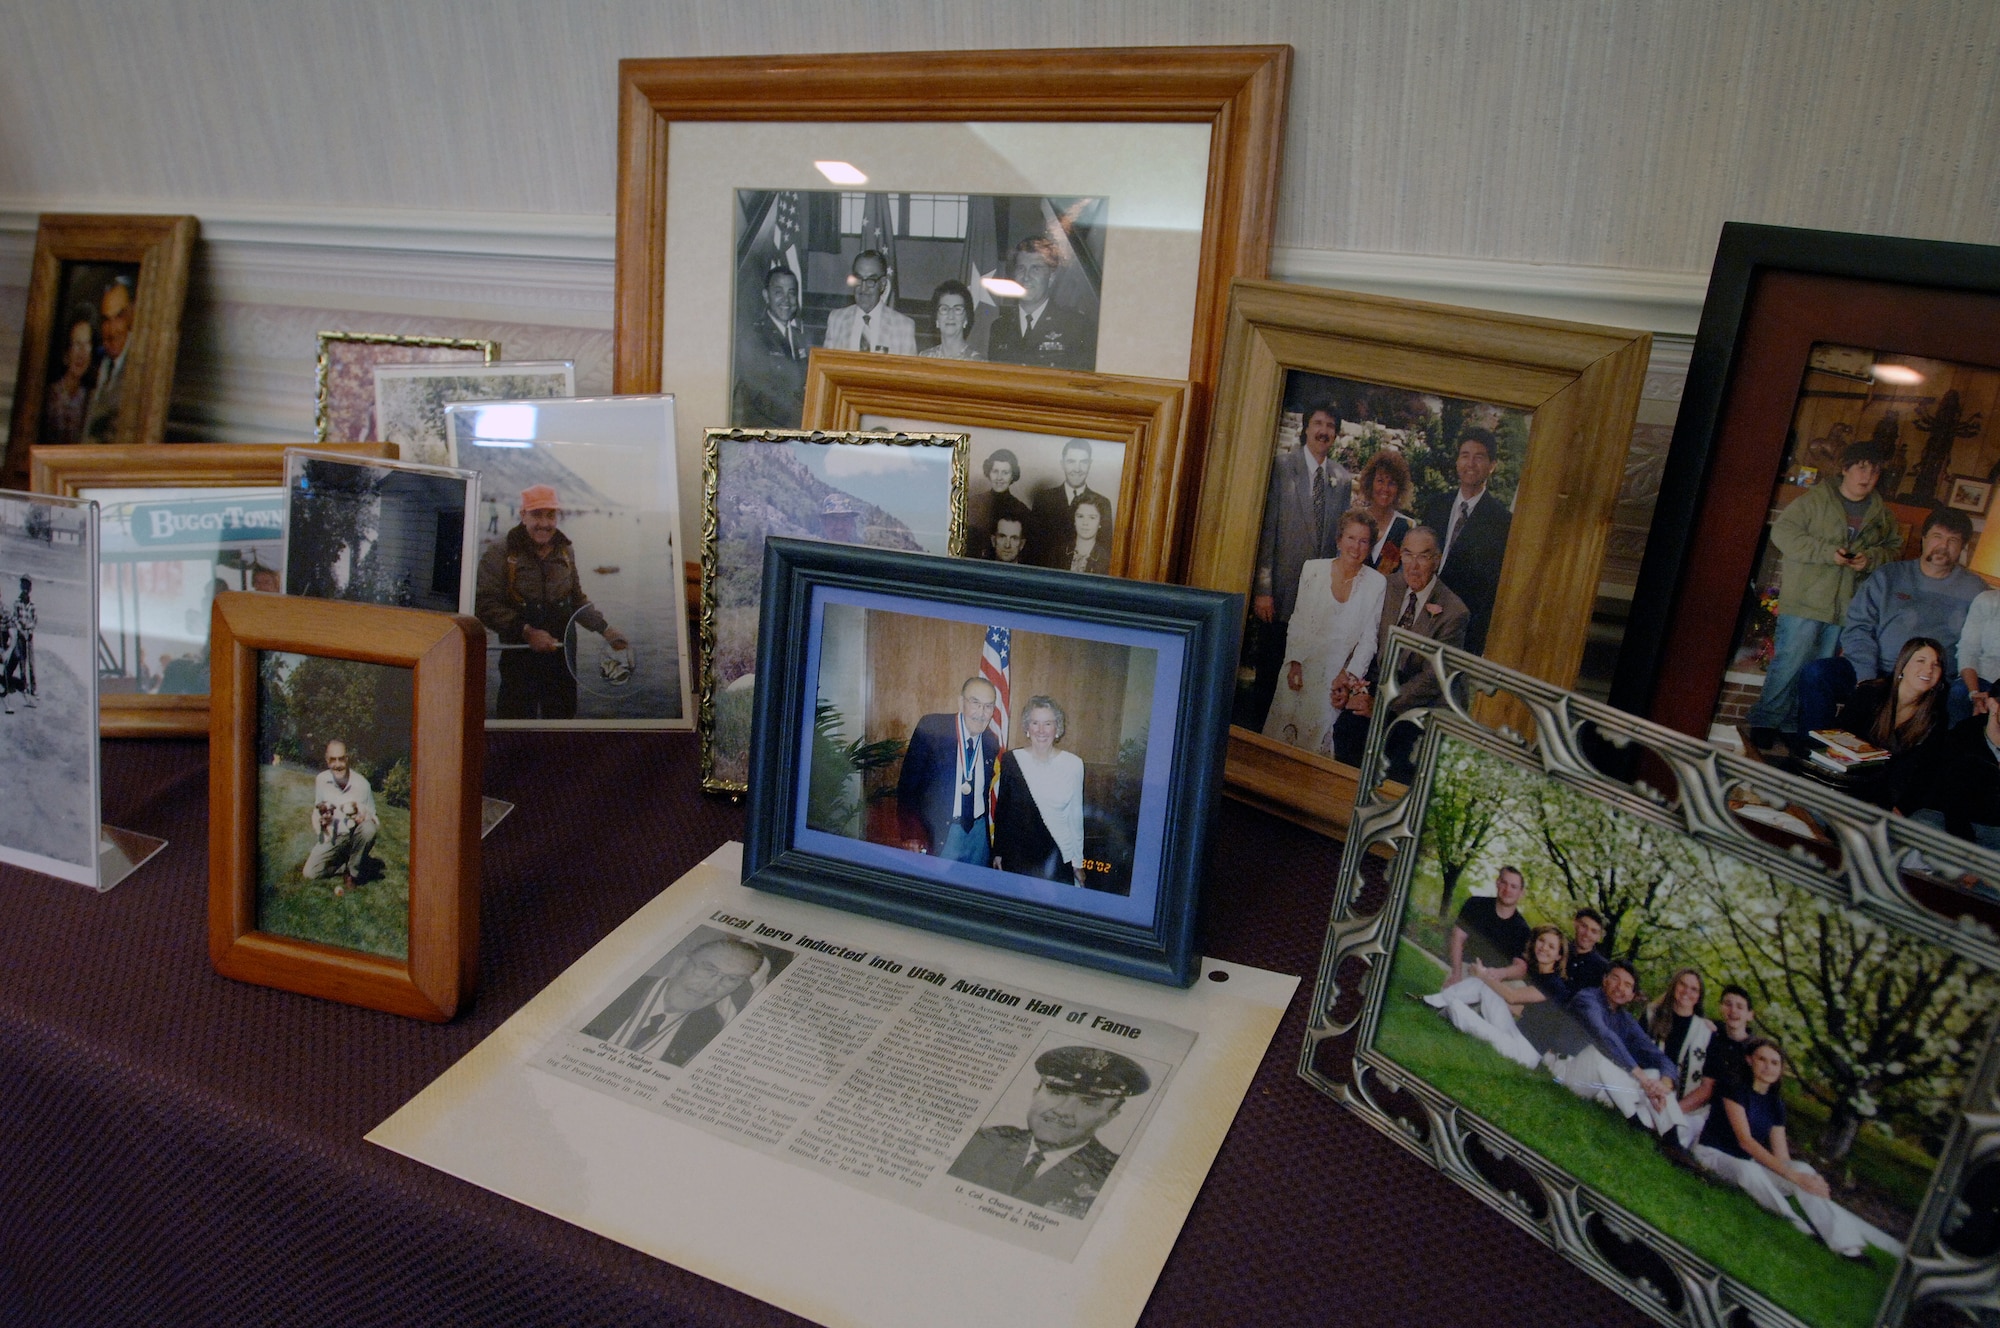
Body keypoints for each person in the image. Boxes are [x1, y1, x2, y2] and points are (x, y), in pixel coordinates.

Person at [1746, 438, 1901, 754]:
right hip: (1805, 599)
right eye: (1861, 468)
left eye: (1874, 472)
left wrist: (1868, 558)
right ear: (1845, 469)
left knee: (1816, 673)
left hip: (1845, 608)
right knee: (1789, 663)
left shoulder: (1881, 514)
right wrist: (1826, 553)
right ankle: (1764, 722)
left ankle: (1791, 725)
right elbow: (1783, 534)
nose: (1867, 477)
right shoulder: (1813, 501)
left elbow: (1894, 550)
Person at [1796, 507, 1986, 747]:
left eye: (1953, 541)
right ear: (1924, 539)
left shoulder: (1975, 590)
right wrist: (1866, 677)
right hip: (1879, 670)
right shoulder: (1888, 576)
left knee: (1957, 704)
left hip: (1932, 681)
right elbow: (1858, 628)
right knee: (1817, 674)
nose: (1943, 546)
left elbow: (1979, 644)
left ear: (1963, 547)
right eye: (1937, 537)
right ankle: (1813, 751)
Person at [1690, 1038, 1877, 1259]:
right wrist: (1794, 1178)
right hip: (1712, 1154)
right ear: (1749, 1061)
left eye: (1775, 1062)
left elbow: (1782, 1156)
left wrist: (1805, 1179)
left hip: (1746, 1161)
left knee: (1803, 1168)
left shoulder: (1775, 1104)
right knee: (1750, 1170)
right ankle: (1799, 1226)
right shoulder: (1733, 1089)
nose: (1768, 1067)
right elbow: (1745, 1142)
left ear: (1781, 1069)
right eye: (1762, 1060)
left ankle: (1848, 1246)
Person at [474, 485, 630, 720]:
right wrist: (526, 632)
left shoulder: (566, 551)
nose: (545, 523)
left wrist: (605, 629)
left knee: (562, 728)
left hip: (562, 660)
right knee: (516, 728)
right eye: (537, 515)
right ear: (522, 514)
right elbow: (484, 604)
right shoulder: (499, 553)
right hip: (519, 657)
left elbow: (576, 599)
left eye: (550, 515)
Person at [946, 1045, 1149, 1218]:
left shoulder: (1112, 1176)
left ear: (1109, 1116)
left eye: (1088, 1103)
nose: (1062, 1111)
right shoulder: (982, 1141)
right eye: (1056, 1092)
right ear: (1035, 1093)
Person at [1328, 524, 1468, 771]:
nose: (1413, 566)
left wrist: (1381, 704)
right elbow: (1366, 636)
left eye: (1423, 556)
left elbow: (1433, 679)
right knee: (1345, 732)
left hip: (1415, 704)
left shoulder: (1454, 612)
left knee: (1396, 760)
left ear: (1436, 560)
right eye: (1407, 554)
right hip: (1376, 688)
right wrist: (1348, 679)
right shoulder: (1387, 586)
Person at [1248, 400, 1351, 729]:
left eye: (1330, 427)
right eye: (1318, 424)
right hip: (1280, 594)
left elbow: (1339, 541)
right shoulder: (1281, 467)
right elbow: (1267, 531)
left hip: (1318, 602)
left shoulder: (1341, 479)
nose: (1324, 431)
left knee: (1304, 681)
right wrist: (1263, 589)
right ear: (1306, 428)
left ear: (1335, 435)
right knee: (1269, 674)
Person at [1262, 509, 1385, 756]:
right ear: (1339, 540)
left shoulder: (1376, 583)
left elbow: (1369, 640)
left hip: (1336, 679)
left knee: (1316, 751)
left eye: (1363, 541)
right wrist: (1295, 662)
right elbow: (1298, 621)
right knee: (1279, 745)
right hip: (1300, 667)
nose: (1356, 546)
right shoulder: (1313, 570)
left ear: (1370, 546)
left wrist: (1348, 678)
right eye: (1351, 538)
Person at [1546, 960, 1689, 1144]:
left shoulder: (1626, 1020)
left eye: (1628, 985)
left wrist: (1664, 1084)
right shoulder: (1587, 998)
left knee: (1654, 1073)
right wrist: (1641, 1079)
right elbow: (1603, 1035)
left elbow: (1659, 1057)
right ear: (1605, 980)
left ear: (1632, 996)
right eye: (1615, 979)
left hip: (1599, 1086)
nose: (1620, 987)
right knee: (1597, 1054)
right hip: (1565, 1072)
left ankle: (1673, 1140)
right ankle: (1636, 1125)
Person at [581, 937, 769, 1067]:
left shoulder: (709, 1029)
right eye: (707, 970)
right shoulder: (616, 989)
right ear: (679, 965)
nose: (711, 986)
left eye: (731, 980)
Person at [1421, 924, 1579, 1070]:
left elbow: (1512, 997)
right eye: (1541, 941)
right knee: (1484, 986)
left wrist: (1484, 976)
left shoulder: (1555, 984)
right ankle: (1431, 1002)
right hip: (1515, 1031)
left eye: (1551, 946)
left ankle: (1447, 1008)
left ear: (1559, 956)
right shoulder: (1542, 975)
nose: (1543, 947)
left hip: (1523, 1052)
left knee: (1456, 1006)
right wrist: (1488, 989)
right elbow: (1520, 1010)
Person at [1822, 635, 1950, 808]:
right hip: (1845, 778)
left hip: (1887, 795)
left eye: (1936, 665)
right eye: (1921, 660)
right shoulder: (1870, 693)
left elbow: (1926, 772)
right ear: (1902, 665)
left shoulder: (1936, 717)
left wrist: (1901, 808)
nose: (1928, 670)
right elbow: (1837, 738)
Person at [1416, 428, 1512, 654]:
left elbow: (1491, 588)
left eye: (1479, 457)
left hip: (1461, 632)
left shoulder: (1502, 521)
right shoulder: (1436, 505)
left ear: (1492, 465)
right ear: (1457, 461)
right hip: (1419, 619)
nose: (1471, 463)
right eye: (1465, 455)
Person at [895, 677, 1001, 864]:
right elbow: (907, 785)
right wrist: (911, 833)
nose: (981, 713)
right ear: (961, 702)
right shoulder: (933, 728)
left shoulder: (991, 741)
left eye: (988, 706)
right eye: (975, 703)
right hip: (942, 832)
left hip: (978, 834)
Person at [993, 696, 1085, 885]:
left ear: (1057, 728)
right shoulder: (1011, 760)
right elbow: (1003, 812)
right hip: (1018, 857)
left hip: (1057, 855)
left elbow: (1075, 816)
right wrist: (998, 853)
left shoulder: (1074, 764)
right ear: (1027, 727)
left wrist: (1077, 862)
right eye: (1035, 723)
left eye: (1048, 723)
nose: (1041, 730)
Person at [1903, 692, 2000, 850]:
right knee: (1919, 827)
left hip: (1994, 833)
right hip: (1948, 823)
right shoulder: (1963, 736)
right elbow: (1949, 799)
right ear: (1993, 704)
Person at [983, 237, 1095, 371]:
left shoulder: (1075, 326)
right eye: (1021, 268)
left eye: (1035, 269)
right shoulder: (1000, 327)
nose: (1026, 277)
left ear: (1051, 276)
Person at [731, 265, 810, 428]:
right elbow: (762, 397)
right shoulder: (753, 337)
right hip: (764, 435)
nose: (786, 300)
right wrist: (806, 418)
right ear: (766, 296)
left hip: (795, 432)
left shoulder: (799, 338)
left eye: (792, 293)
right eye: (779, 292)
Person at [1677, 984, 1756, 1143]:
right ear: (1721, 1007)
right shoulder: (1709, 1033)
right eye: (1728, 1004)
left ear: (1750, 1015)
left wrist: (1673, 1112)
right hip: (1698, 1105)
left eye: (1740, 1007)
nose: (1733, 1011)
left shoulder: (1756, 1052)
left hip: (1734, 1120)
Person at [301, 740, 378, 896]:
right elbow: (318, 808)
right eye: (333, 759)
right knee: (310, 873)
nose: (337, 764)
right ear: (326, 760)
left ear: (347, 758)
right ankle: (346, 862)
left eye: (341, 759)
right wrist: (322, 822)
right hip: (333, 837)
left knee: (369, 828)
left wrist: (364, 817)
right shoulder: (321, 780)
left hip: (354, 834)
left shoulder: (362, 784)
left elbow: (374, 819)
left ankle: (351, 873)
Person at [1026, 440, 1113, 571]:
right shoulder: (1043, 499)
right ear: (1062, 464)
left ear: (1090, 464)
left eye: (1083, 462)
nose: (1077, 469)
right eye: (1071, 461)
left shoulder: (1103, 503)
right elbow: (1033, 549)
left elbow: (1105, 549)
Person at [1445, 865, 1531, 988]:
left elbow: (1521, 968)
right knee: (1447, 999)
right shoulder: (1475, 904)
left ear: (1521, 893)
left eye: (1514, 887)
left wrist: (1500, 973)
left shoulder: (1523, 929)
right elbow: (1457, 938)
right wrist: (1456, 973)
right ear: (1497, 883)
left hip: (1497, 979)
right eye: (1504, 883)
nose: (1507, 889)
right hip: (1468, 968)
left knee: (1519, 987)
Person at [822, 249, 916, 356]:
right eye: (858, 279)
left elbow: (907, 372)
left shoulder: (904, 327)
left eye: (871, 281)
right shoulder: (837, 320)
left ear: (883, 284)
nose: (863, 288)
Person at [1644, 968, 1713, 1101]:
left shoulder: (1705, 1032)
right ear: (1674, 986)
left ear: (1699, 996)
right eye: (1683, 984)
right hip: (1648, 1085)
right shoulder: (1651, 1015)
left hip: (1682, 1100)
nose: (1687, 991)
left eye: (1694, 989)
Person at [83, 276, 136, 442]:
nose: (112, 330)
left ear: (132, 316)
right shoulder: (100, 363)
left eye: (119, 316)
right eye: (106, 320)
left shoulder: (136, 367)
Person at [1354, 449, 1416, 575]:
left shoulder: (1407, 527)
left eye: (1392, 483)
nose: (1385, 489)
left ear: (1399, 489)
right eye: (1380, 481)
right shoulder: (1355, 520)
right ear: (1370, 483)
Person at [41, 315, 95, 444]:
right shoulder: (48, 395)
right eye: (77, 344)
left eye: (86, 345)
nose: (81, 354)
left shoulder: (91, 399)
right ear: (66, 351)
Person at [973, 450, 1031, 560]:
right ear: (989, 473)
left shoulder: (1023, 511)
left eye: (1005, 473)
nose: (999, 478)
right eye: (995, 471)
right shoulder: (973, 503)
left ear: (1012, 475)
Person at [1956, 586, 2000, 719]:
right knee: (1959, 694)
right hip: (1979, 679)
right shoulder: (1988, 600)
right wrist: (1974, 693)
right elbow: (1968, 649)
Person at [919, 280, 984, 361]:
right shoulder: (924, 358)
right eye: (944, 309)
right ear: (936, 319)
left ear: (966, 319)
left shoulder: (978, 362)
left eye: (957, 309)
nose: (950, 316)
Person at [4, 576, 35, 707]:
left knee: (29, 662)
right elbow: (15, 619)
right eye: (24, 586)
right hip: (20, 636)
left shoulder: (31, 605)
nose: (25, 589)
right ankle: (19, 685)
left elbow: (34, 620)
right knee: (19, 659)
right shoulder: (17, 602)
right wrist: (22, 631)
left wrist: (29, 630)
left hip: (28, 636)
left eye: (27, 587)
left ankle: (30, 688)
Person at [1062, 494, 1111, 575]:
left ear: (1100, 522)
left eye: (1092, 517)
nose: (1085, 523)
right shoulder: (1058, 554)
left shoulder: (1107, 560)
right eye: (1080, 516)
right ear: (1074, 520)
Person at [1567, 908, 1610, 990]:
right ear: (1575, 924)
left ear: (1599, 937)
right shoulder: (1557, 952)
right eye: (1584, 926)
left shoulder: (1603, 968)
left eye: (1594, 931)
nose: (1587, 934)